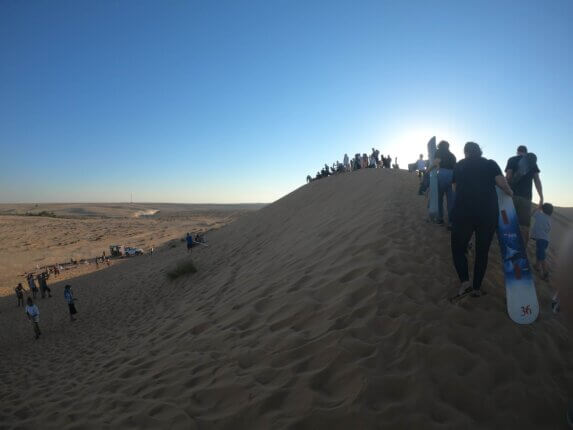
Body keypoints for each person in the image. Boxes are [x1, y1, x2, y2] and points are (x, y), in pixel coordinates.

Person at [450, 142, 514, 296]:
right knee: (482, 251)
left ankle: (465, 283)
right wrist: (509, 191)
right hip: (487, 214)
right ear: (479, 151)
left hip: (463, 212)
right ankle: (477, 288)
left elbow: (454, 187)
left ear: (465, 152)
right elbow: (501, 182)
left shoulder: (459, 165)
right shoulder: (490, 164)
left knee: (458, 249)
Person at [505, 145, 543, 245]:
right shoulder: (532, 162)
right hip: (526, 198)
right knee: (524, 225)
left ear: (517, 151)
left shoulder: (512, 159)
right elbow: (537, 180)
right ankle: (523, 249)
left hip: (511, 195)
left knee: (507, 220)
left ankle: (509, 244)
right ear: (526, 152)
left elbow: (508, 176)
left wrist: (505, 190)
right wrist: (541, 197)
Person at [427, 140, 457, 226]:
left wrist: (428, 170)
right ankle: (451, 222)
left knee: (439, 198)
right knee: (451, 200)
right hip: (452, 176)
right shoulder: (452, 155)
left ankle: (440, 219)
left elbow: (436, 162)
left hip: (442, 174)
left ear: (439, 146)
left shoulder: (439, 151)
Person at [530, 203, 553, 281]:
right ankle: (537, 266)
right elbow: (548, 229)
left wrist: (538, 208)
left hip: (541, 239)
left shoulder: (539, 215)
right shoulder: (549, 219)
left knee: (542, 256)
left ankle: (546, 274)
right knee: (539, 253)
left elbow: (532, 213)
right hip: (546, 240)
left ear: (543, 209)